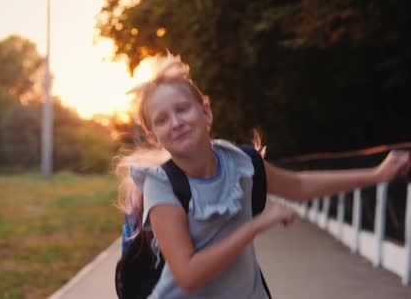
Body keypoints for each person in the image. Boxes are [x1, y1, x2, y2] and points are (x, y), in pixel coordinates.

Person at [115, 53, 411, 299]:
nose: (176, 122)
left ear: (205, 111)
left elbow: (298, 186)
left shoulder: (241, 162)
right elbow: (188, 274)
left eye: (182, 109)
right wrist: (255, 225)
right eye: (163, 119)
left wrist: (377, 174)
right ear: (154, 136)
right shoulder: (161, 185)